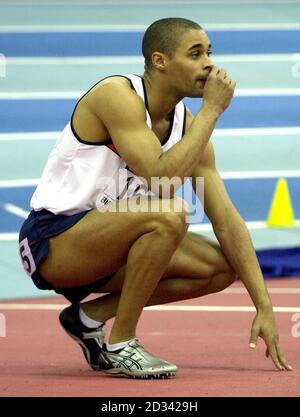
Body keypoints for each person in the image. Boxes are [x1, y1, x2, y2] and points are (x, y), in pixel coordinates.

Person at [18, 17, 292, 379]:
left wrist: (264, 306)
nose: (209, 63)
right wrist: (212, 111)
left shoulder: (189, 126)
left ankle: (87, 318)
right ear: (160, 60)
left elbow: (226, 219)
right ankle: (121, 343)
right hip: (55, 242)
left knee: (223, 266)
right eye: (195, 54)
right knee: (169, 213)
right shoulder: (117, 95)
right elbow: (162, 180)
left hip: (111, 250)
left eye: (210, 52)